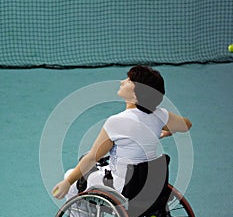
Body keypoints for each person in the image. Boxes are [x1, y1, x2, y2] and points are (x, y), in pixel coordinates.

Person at [52, 65, 192, 200]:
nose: (122, 81)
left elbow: (92, 157)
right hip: (149, 187)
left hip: (123, 189)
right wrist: (166, 132)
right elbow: (186, 124)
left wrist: (67, 182)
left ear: (138, 94)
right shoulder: (160, 115)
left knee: (72, 178)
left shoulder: (116, 122)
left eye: (129, 80)